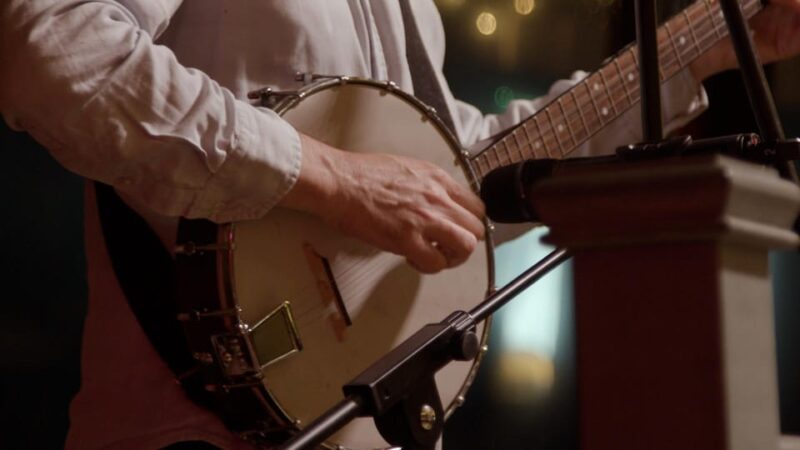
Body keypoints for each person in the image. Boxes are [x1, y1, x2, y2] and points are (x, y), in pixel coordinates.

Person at [2, 1, 800, 449]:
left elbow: (461, 174)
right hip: (183, 431)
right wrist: (340, 182)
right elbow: (52, 50)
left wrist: (705, 49)